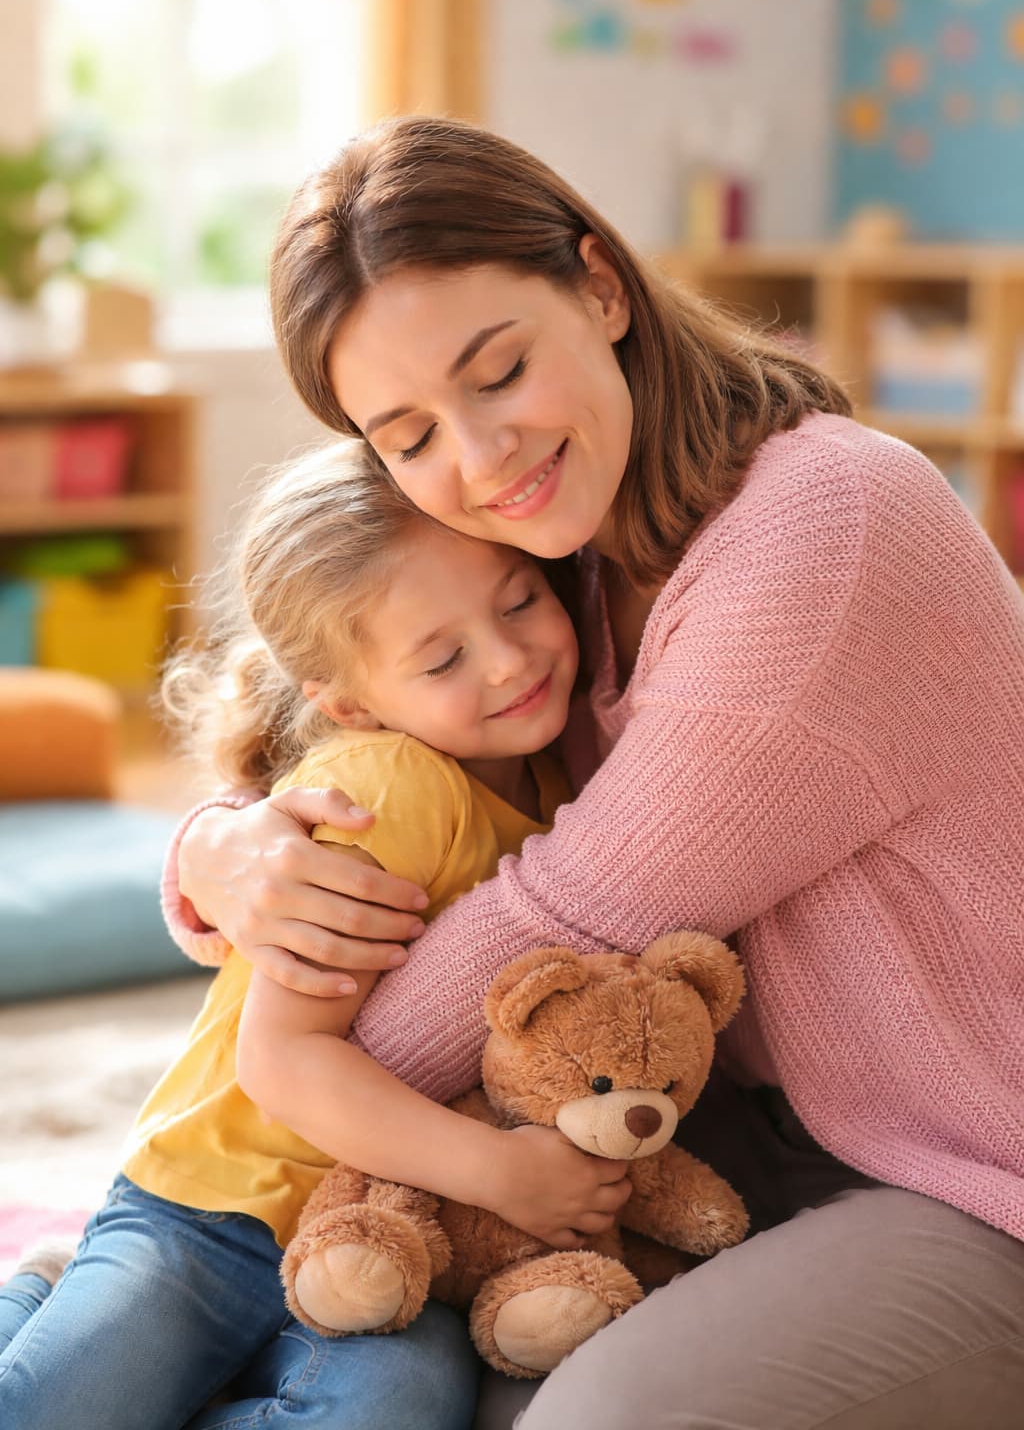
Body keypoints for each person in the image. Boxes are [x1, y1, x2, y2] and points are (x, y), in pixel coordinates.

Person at [160, 115, 1024, 1428]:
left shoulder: (824, 529)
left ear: (600, 286)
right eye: (409, 435)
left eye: (499, 371)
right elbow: (344, 732)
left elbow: (563, 916)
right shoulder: (543, 559)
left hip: (968, 1168)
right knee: (461, 1387)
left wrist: (274, 1105)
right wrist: (221, 851)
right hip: (706, 1134)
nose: (480, 459)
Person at [0, 436, 633, 1429]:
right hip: (214, 1204)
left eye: (518, 600)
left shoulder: (559, 786)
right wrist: (503, 1176)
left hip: (385, 1235)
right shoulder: (388, 790)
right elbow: (284, 1062)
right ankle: (35, 1295)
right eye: (441, 656)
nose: (510, 659)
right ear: (345, 701)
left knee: (388, 1415)